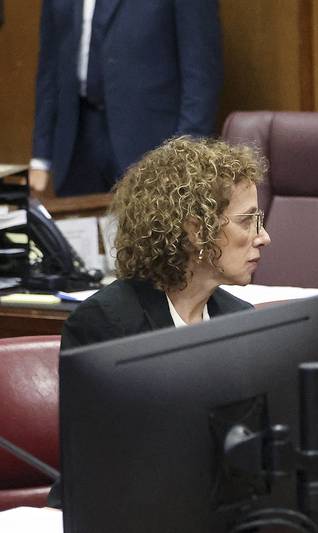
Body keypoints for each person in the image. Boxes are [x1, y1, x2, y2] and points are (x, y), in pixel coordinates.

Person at [60, 136, 270, 351]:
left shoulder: (240, 319)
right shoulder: (103, 324)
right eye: (246, 220)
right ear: (196, 231)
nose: (264, 237)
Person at [30, 0, 222, 196]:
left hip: (153, 145)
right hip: (76, 143)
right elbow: (49, 66)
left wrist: (185, 156)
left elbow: (201, 75)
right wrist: (41, 155)